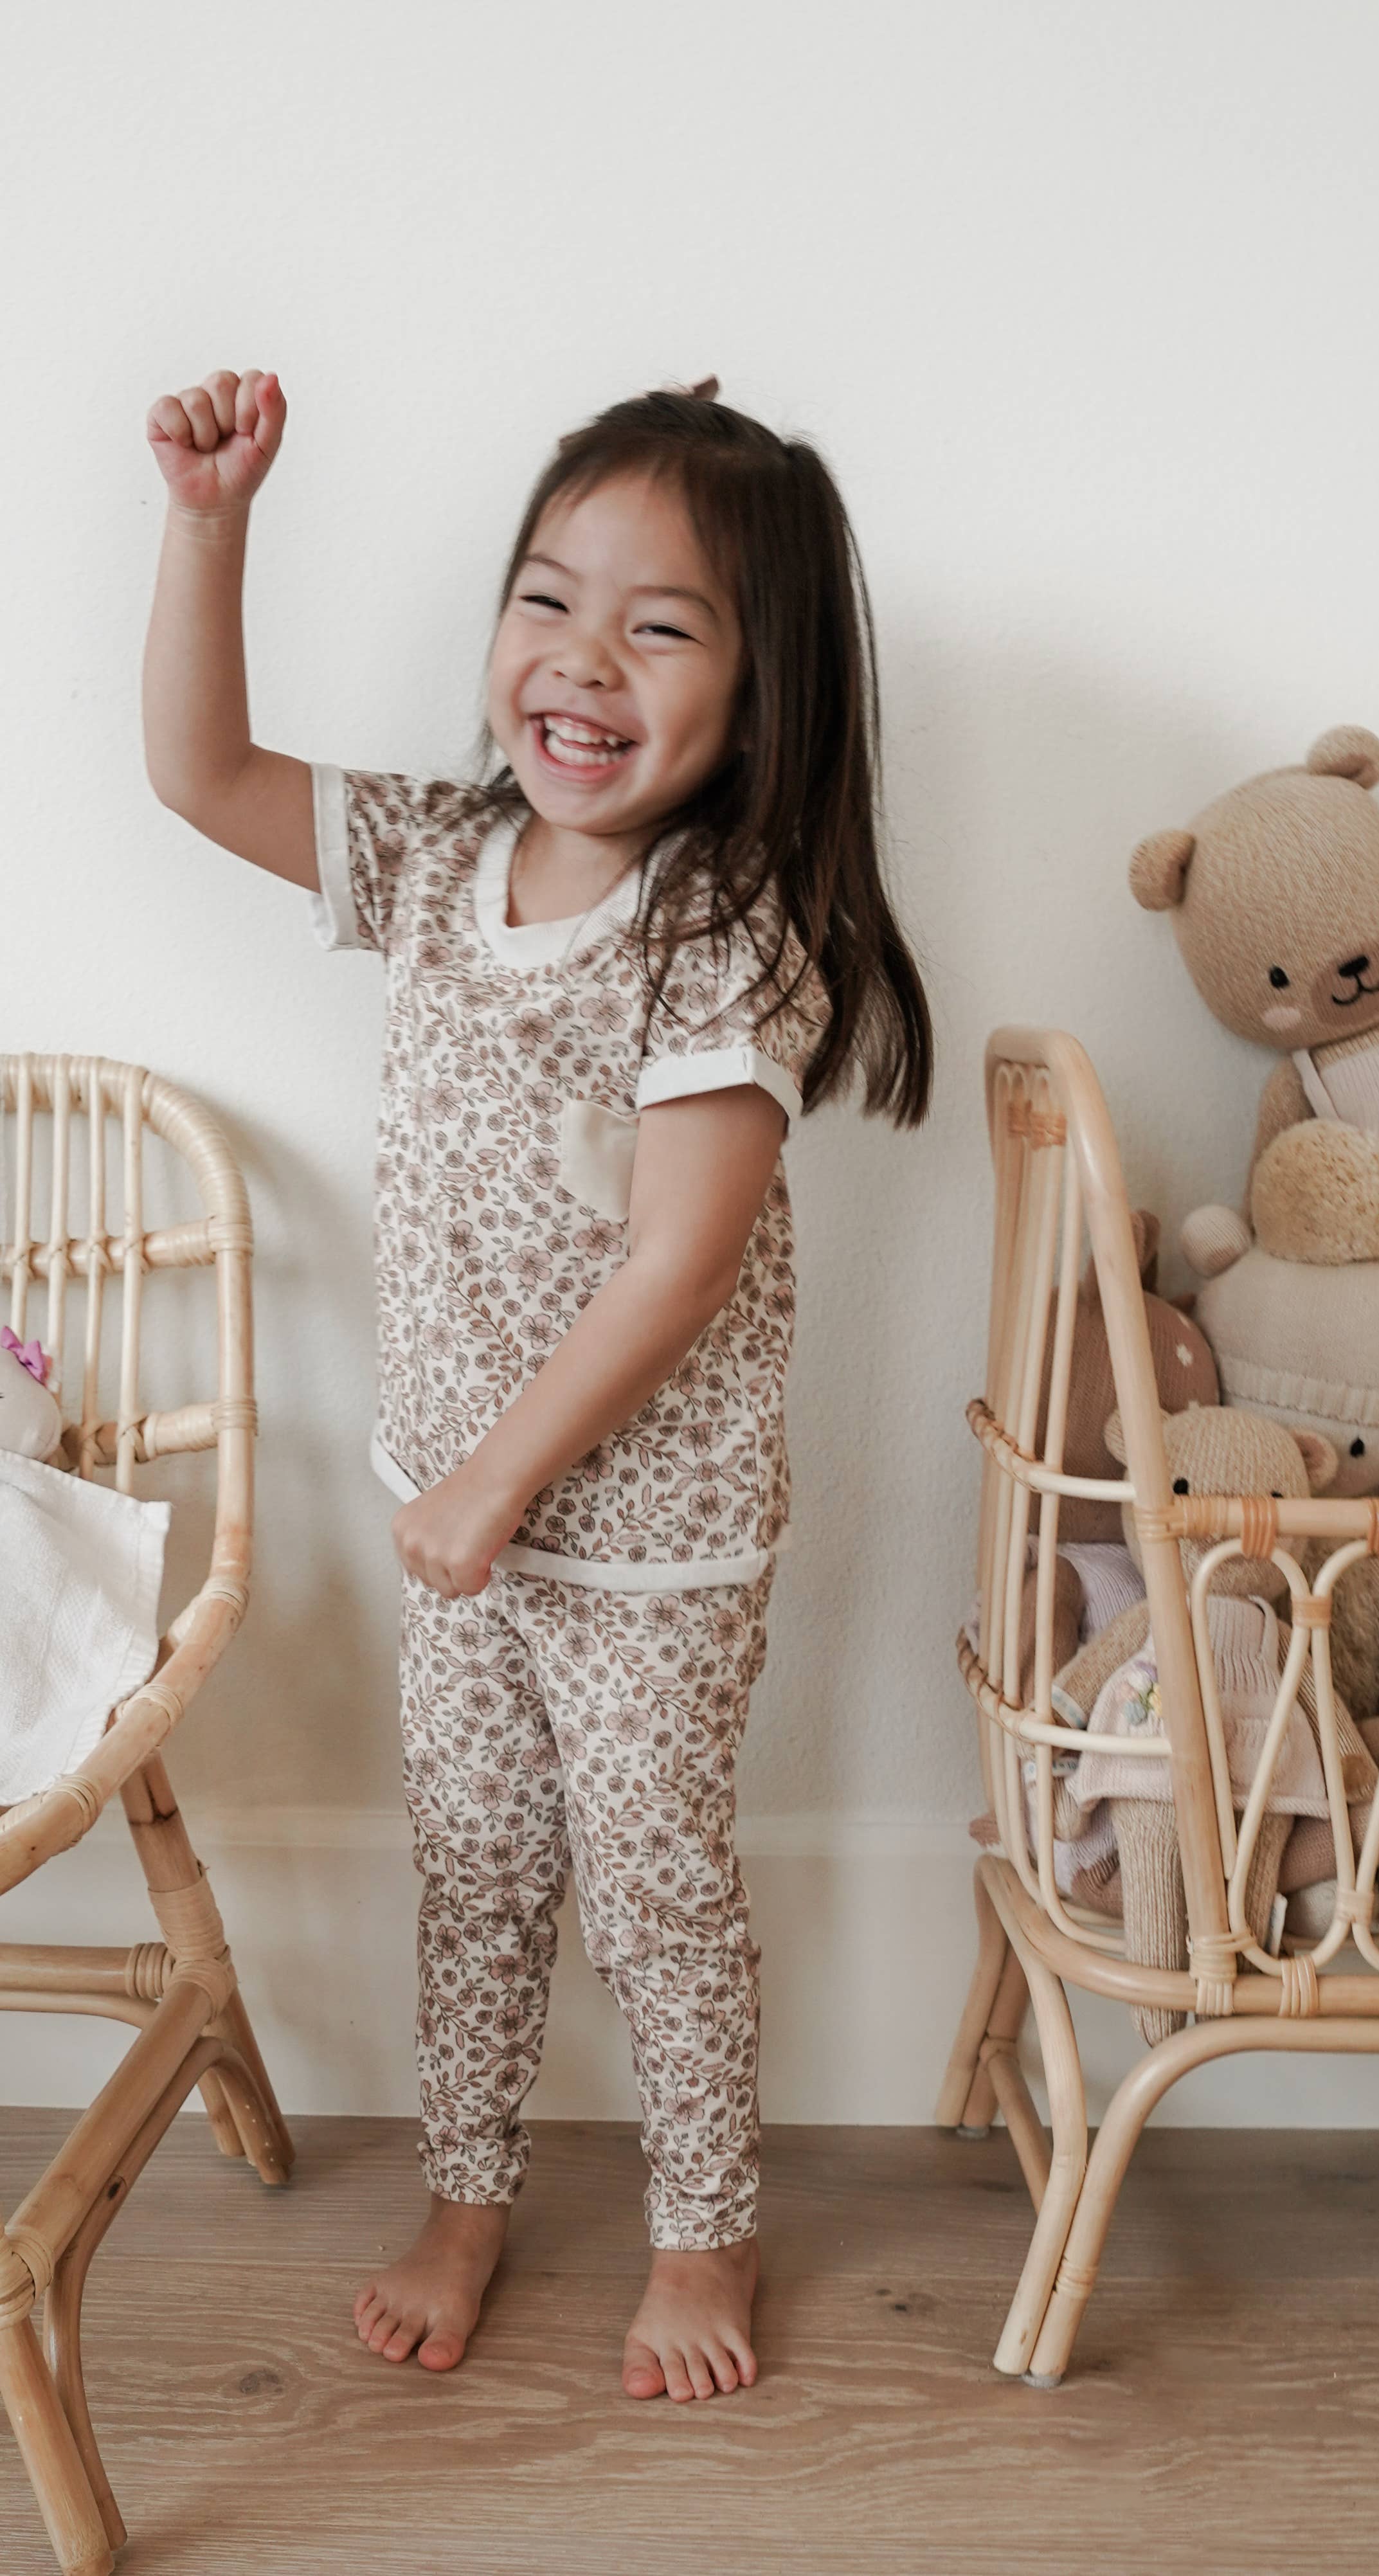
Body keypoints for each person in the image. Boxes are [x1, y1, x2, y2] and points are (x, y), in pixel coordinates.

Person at [142, 367, 932, 2402]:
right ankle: (471, 2187)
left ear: (759, 698)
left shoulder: (725, 931)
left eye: (658, 625)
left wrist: (500, 1484)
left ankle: (706, 2232)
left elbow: (676, 1267)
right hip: (460, 1509)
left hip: (639, 1546)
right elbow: (200, 767)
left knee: (660, 1887)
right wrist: (212, 522)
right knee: (474, 1860)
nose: (581, 664)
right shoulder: (434, 856)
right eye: (546, 600)